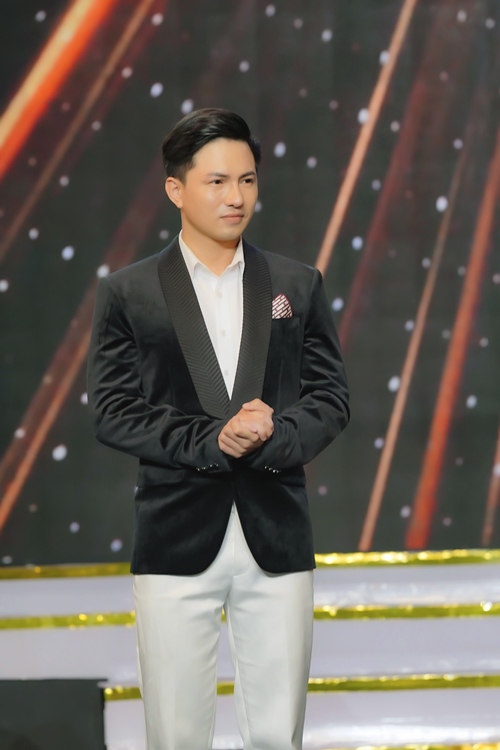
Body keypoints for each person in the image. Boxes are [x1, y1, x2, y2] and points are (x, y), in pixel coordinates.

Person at [88, 108, 349, 750]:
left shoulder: (296, 284)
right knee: (175, 734)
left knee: (277, 734)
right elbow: (114, 410)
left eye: (248, 180)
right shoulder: (129, 292)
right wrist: (210, 441)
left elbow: (330, 397)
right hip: (175, 536)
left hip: (276, 534)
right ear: (175, 189)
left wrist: (274, 434)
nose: (236, 197)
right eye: (217, 181)